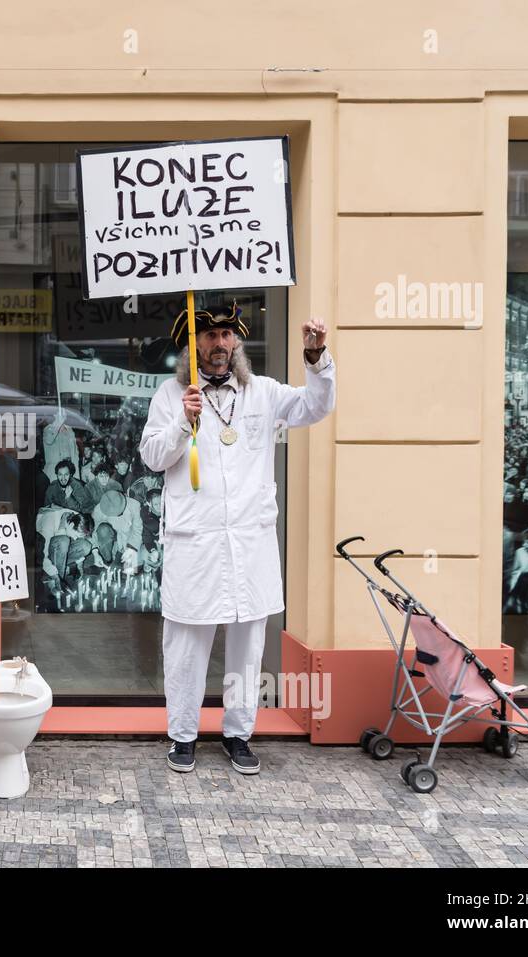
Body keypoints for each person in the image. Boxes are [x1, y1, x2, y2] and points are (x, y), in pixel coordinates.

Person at [139, 302, 336, 775]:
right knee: (185, 645)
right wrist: (179, 424)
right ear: (193, 347)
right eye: (209, 337)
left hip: (249, 543)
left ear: (238, 343)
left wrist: (316, 358)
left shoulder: (263, 393)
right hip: (195, 543)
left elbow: (316, 406)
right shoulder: (172, 394)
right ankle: (183, 736)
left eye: (228, 335)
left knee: (248, 645)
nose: (220, 344)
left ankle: (238, 734)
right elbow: (152, 456)